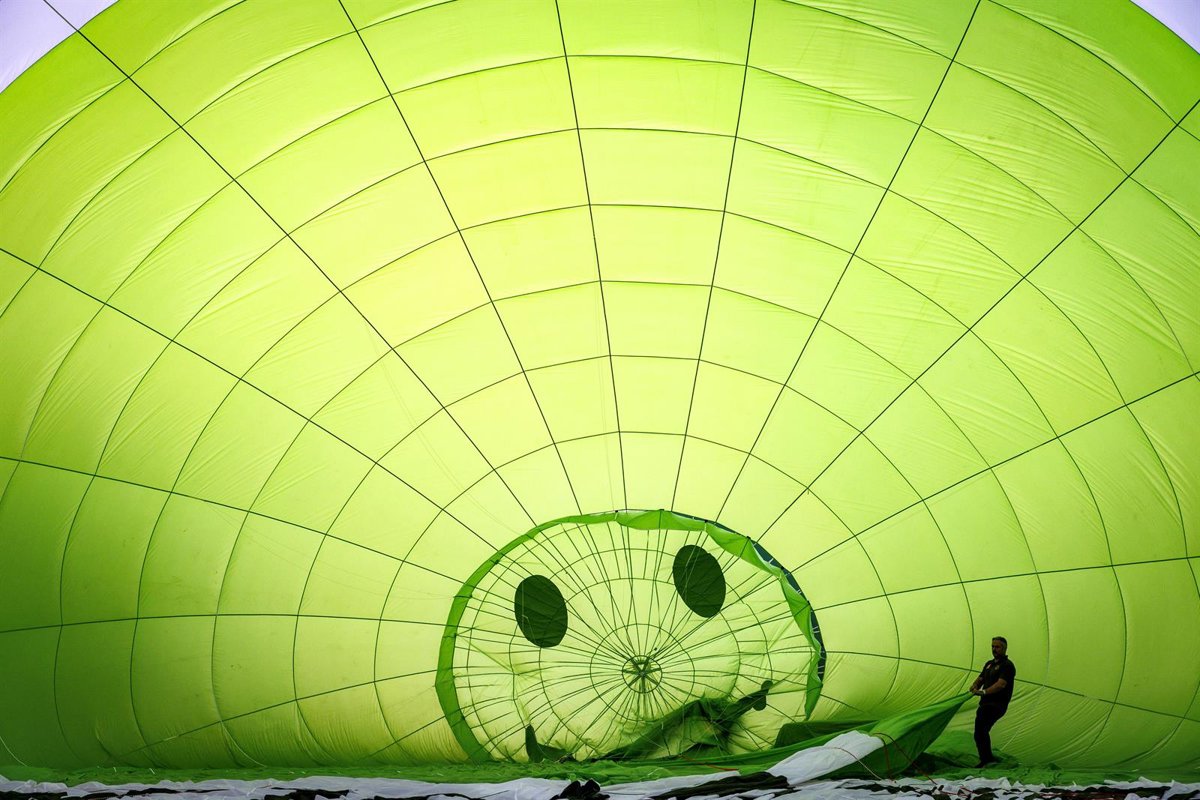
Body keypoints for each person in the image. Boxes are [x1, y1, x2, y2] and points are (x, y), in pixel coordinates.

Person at [970, 636, 1015, 767]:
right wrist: (974, 686)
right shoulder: (989, 664)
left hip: (996, 704)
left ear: (1004, 648)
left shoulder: (1007, 666)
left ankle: (987, 760)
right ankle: (986, 758)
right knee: (980, 732)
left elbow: (1001, 684)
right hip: (984, 704)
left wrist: (984, 692)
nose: (994, 649)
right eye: (992, 646)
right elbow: (980, 679)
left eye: (997, 647)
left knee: (981, 731)